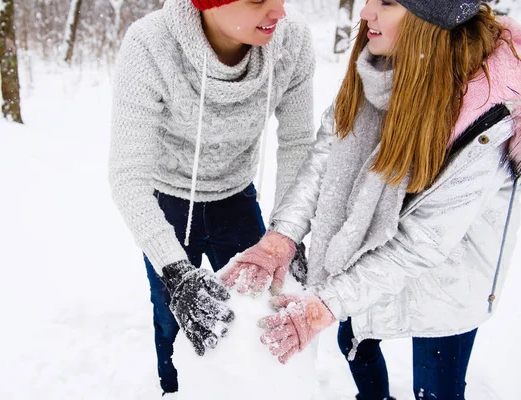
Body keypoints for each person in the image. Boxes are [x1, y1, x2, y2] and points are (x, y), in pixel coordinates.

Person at [221, 1, 521, 398]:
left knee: (437, 390)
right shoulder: (378, 68)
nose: (365, 13)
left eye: (387, 2)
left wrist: (324, 306)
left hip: (446, 281)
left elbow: (422, 242)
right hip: (359, 252)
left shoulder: (487, 112)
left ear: (430, 17)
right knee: (357, 347)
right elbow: (326, 159)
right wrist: (282, 236)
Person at [108, 0, 316, 395]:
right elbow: (127, 176)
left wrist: (289, 232)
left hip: (236, 199)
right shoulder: (150, 45)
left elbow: (296, 142)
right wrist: (175, 272)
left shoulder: (292, 41)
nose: (279, 12)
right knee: (173, 315)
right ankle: (171, 387)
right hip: (166, 202)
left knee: (255, 309)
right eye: (258, 0)